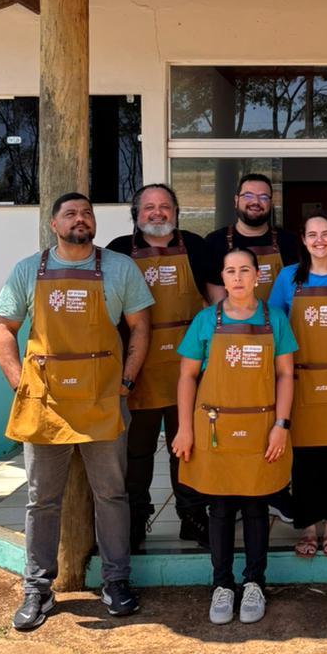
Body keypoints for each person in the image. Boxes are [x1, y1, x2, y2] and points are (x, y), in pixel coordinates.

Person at [0, 193, 153, 631]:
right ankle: (37, 589)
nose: (80, 219)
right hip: (46, 402)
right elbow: (4, 329)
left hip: (103, 401)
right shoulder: (29, 269)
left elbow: (140, 327)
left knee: (112, 497)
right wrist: (19, 382)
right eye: (70, 214)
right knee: (41, 500)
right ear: (53, 224)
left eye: (87, 213)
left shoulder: (120, 267)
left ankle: (116, 581)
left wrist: (125, 383)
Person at [173, 247, 297, 625]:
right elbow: (187, 377)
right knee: (222, 509)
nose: (238, 277)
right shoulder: (204, 321)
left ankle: (255, 581)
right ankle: (222, 585)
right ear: (222, 278)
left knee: (257, 506)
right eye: (231, 271)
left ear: (258, 276)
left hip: (261, 430)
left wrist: (281, 425)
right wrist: (185, 427)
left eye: (245, 270)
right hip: (215, 431)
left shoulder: (275, 319)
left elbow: (286, 376)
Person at [108, 183, 210, 550]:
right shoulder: (118, 252)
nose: (157, 213)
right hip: (140, 367)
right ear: (136, 215)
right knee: (136, 451)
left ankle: (193, 516)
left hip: (188, 365)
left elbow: (216, 302)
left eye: (165, 206)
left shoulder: (196, 247)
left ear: (176, 212)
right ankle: (136, 519)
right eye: (149, 207)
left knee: (187, 447)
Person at [268, 214, 327, 558]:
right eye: (313, 234)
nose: (320, 240)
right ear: (304, 240)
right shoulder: (286, 278)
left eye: (326, 233)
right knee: (304, 454)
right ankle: (307, 524)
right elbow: (275, 326)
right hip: (300, 377)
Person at [205, 173, 298, 304]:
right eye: (248, 195)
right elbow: (217, 300)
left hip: (278, 322)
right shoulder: (215, 241)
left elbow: (295, 292)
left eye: (263, 197)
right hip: (233, 323)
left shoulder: (289, 241)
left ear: (271, 203)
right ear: (236, 200)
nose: (255, 202)